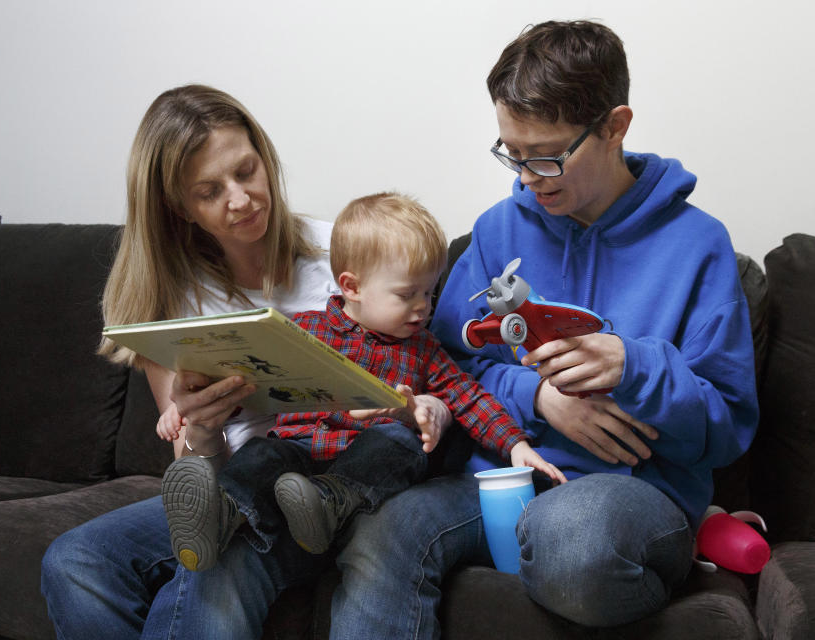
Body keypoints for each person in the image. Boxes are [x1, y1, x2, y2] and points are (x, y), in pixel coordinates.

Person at [325, 20, 759, 635]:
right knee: (382, 533)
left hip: (632, 493)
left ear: (615, 126)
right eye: (511, 152)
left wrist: (635, 368)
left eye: (547, 155)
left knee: (570, 542)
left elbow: (729, 425)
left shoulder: (698, 246)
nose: (526, 176)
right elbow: (448, 363)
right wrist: (541, 399)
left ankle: (681, 541)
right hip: (505, 471)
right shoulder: (498, 229)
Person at [39, 84, 415, 639]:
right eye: (210, 191)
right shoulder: (172, 298)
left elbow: (414, 363)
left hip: (324, 484)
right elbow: (189, 458)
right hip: (234, 484)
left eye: (246, 171)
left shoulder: (341, 257)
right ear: (178, 207)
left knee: (212, 569)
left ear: (264, 157)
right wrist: (202, 431)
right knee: (75, 561)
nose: (240, 199)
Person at [158, 192, 566, 569]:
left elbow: (470, 397)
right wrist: (183, 405)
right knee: (261, 456)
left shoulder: (424, 349)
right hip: (296, 455)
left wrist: (516, 444)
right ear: (352, 287)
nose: (423, 308)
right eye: (408, 294)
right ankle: (222, 513)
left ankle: (331, 504)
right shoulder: (305, 330)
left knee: (401, 442)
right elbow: (244, 379)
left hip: (359, 465)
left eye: (429, 292)